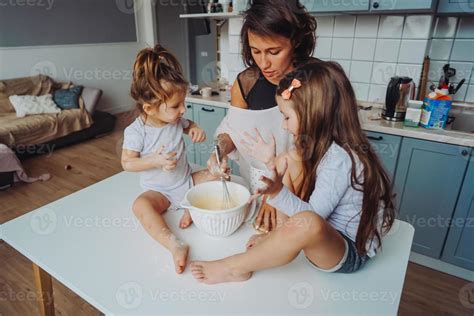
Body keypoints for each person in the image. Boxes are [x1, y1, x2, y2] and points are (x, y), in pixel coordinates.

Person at [190, 61, 396, 284]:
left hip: (348, 251)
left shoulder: (341, 159)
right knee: (288, 158)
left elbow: (311, 220)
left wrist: (277, 193)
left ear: (314, 114)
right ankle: (277, 237)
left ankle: (234, 266)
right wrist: (271, 160)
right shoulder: (323, 147)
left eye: (287, 117)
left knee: (309, 220)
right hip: (326, 235)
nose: (284, 126)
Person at [208, 0, 319, 232]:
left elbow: (315, 152)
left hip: (301, 193)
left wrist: (277, 196)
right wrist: (219, 151)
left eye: (274, 51)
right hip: (257, 188)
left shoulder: (316, 81)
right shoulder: (245, 84)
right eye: (256, 51)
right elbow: (233, 131)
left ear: (296, 40)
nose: (264, 63)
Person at [121, 45, 217, 274]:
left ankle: (190, 205)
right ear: (149, 108)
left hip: (186, 182)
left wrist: (195, 128)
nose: (183, 110)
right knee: (140, 206)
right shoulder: (137, 132)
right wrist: (155, 160)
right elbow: (127, 163)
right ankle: (175, 244)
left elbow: (188, 125)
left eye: (183, 103)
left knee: (218, 173)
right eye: (176, 106)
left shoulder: (174, 119)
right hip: (159, 192)